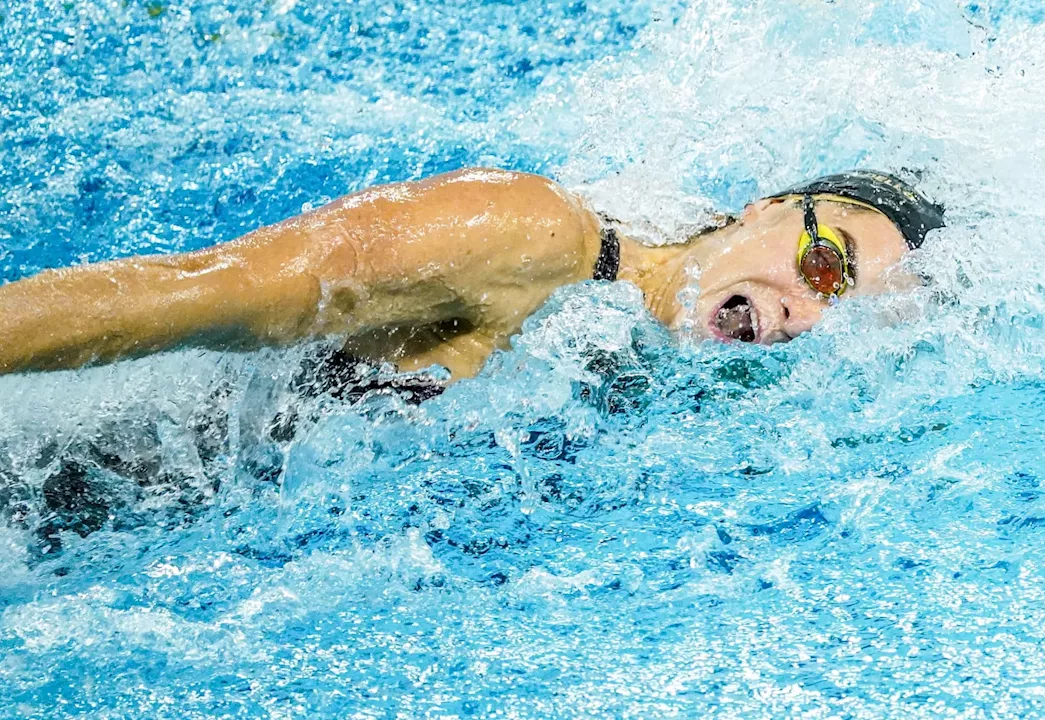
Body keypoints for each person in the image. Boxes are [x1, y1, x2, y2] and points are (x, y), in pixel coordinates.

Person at [0, 168, 944, 402]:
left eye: (844, 309)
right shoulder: (525, 233)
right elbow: (205, 289)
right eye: (829, 265)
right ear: (763, 209)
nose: (809, 313)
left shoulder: (649, 368)